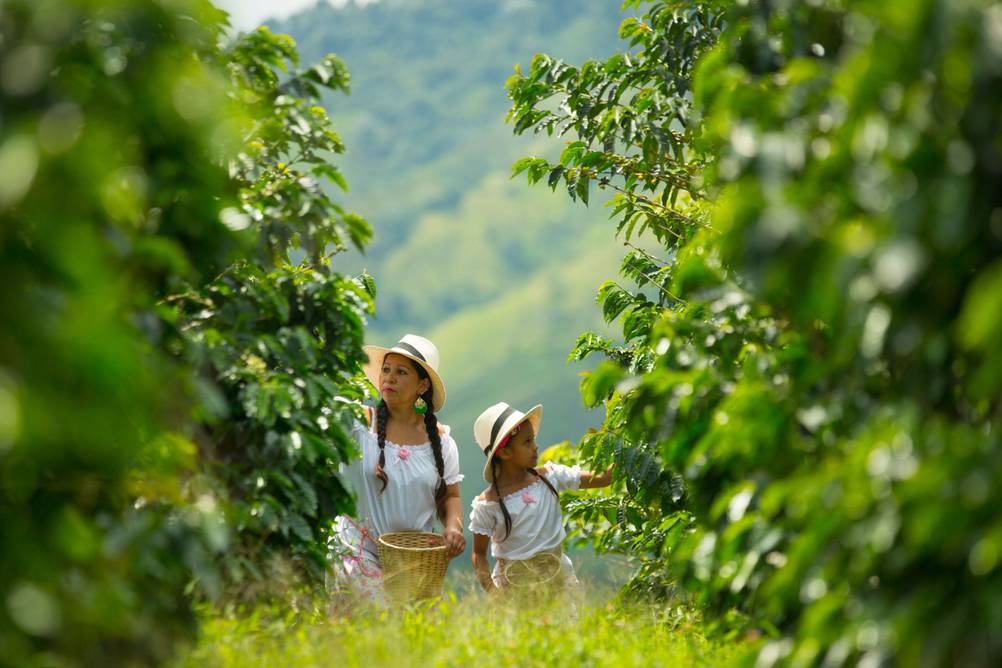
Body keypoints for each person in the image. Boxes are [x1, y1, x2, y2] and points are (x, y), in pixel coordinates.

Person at [328, 334, 465, 604]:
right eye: (386, 370)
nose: (389, 378)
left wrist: (453, 527)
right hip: (356, 548)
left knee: (409, 625)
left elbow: (450, 496)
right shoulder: (357, 423)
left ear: (422, 385)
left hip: (413, 558)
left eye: (401, 372)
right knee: (380, 616)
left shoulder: (441, 443)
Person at [468, 401, 613, 595]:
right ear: (505, 452)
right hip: (514, 590)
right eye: (527, 442)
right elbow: (479, 554)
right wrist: (494, 594)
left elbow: (603, 478)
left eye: (533, 439)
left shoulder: (551, 477)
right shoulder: (489, 504)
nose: (536, 447)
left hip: (559, 580)